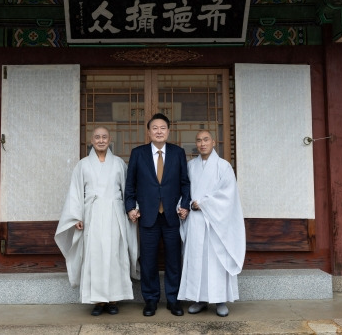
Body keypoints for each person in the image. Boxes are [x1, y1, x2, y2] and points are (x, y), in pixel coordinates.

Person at [54, 126, 139, 316]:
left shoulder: (119, 164)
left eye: (104, 137)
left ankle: (114, 299)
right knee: (94, 255)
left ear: (110, 140)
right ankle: (99, 300)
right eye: (97, 137)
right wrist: (76, 216)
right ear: (91, 141)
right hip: (91, 214)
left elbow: (128, 191)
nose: (101, 140)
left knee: (115, 254)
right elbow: (75, 192)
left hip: (115, 214)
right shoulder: (82, 165)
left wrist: (132, 209)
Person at [125, 113, 190, 317]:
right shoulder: (138, 153)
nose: (159, 131)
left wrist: (185, 205)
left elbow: (185, 183)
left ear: (168, 131)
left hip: (172, 216)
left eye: (163, 128)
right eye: (155, 128)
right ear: (149, 132)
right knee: (149, 261)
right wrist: (130, 207)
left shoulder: (178, 153)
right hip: (148, 216)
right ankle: (151, 300)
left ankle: (173, 300)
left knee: (173, 260)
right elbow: (130, 186)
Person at [178, 130, 246, 317]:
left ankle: (220, 300)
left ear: (213, 142)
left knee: (216, 261)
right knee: (197, 260)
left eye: (206, 140)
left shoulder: (224, 167)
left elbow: (228, 195)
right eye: (198, 140)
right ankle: (198, 298)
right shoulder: (190, 166)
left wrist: (205, 203)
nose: (202, 144)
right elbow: (183, 190)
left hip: (216, 222)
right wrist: (183, 206)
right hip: (195, 221)